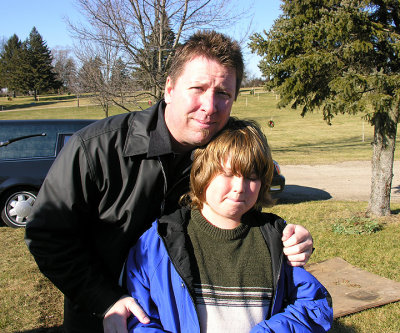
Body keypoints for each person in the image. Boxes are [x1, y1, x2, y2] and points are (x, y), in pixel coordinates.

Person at [25, 30, 314, 333]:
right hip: (103, 318)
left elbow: (243, 214)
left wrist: (290, 239)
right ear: (169, 89)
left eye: (223, 94)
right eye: (198, 88)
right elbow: (48, 234)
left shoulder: (224, 153)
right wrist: (105, 299)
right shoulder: (96, 149)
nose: (210, 106)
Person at [126, 118, 333, 332]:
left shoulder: (276, 240)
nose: (239, 187)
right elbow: (138, 317)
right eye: (228, 173)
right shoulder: (161, 239)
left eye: (252, 177)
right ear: (202, 172)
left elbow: (314, 305)